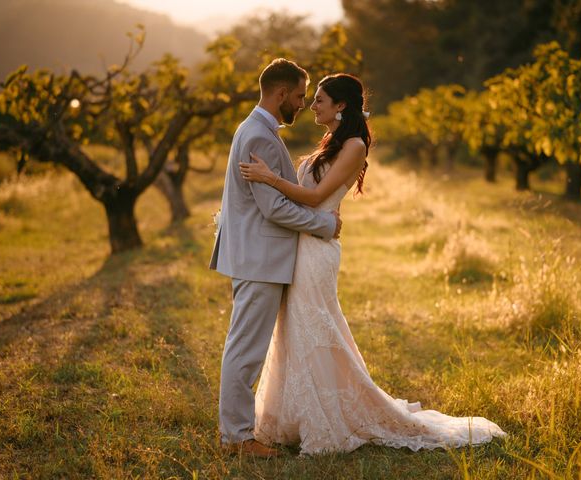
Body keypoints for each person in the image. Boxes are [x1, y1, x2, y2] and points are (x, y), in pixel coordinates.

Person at [239, 73, 508, 455]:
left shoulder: (354, 146)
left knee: (315, 328)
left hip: (317, 252)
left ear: (341, 106)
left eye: (319, 100)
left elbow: (315, 197)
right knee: (295, 329)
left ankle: (328, 417)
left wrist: (269, 178)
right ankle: (293, 414)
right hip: (303, 245)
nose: (311, 105)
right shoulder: (330, 143)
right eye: (309, 98)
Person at [209, 58, 342, 458]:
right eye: (300, 96)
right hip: (260, 257)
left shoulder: (253, 128)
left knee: (244, 345)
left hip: (255, 255)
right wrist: (323, 223)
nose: (302, 104)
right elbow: (275, 209)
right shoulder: (261, 136)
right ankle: (237, 438)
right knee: (245, 350)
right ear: (281, 93)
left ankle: (238, 433)